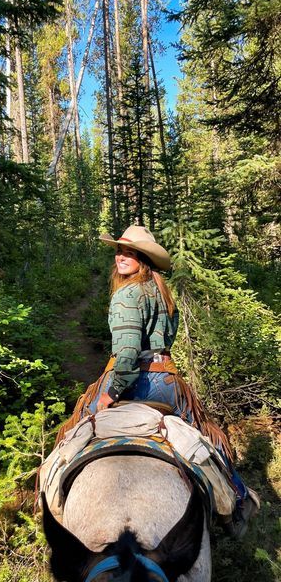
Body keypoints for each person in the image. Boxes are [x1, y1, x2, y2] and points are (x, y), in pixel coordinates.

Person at [55, 224, 259, 537]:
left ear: (143, 258)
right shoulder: (162, 291)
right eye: (119, 251)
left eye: (130, 252)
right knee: (203, 435)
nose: (121, 257)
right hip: (167, 380)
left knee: (77, 429)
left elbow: (126, 354)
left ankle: (50, 497)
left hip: (135, 379)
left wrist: (113, 392)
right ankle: (238, 496)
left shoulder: (127, 294)